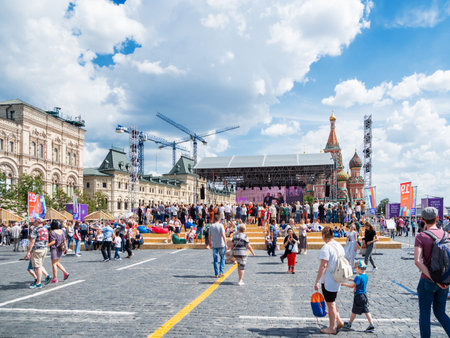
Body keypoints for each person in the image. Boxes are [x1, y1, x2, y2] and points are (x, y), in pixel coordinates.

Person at [414, 207, 450, 337]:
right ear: (438, 218)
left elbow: (417, 261)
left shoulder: (421, 236)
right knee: (440, 312)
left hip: (427, 281)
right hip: (444, 280)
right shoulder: (447, 235)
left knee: (425, 314)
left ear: (422, 220)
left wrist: (434, 279)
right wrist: (444, 280)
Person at [314, 226, 345, 334]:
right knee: (332, 301)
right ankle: (339, 320)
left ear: (323, 235)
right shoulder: (339, 245)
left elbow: (323, 265)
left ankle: (332, 328)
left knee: (330, 303)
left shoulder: (326, 247)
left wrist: (317, 281)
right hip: (338, 277)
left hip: (329, 279)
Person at [341, 260, 375, 332]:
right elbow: (358, 281)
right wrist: (350, 279)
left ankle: (351, 324)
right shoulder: (365, 276)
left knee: (356, 311)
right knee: (363, 310)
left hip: (358, 296)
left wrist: (343, 284)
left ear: (359, 268)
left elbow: (352, 286)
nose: (355, 269)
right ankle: (370, 324)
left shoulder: (358, 277)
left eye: (355, 268)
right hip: (364, 296)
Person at [26, 218, 51, 289]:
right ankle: (46, 276)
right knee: (39, 265)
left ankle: (38, 283)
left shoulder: (36, 229)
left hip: (37, 249)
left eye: (34, 221)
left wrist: (28, 251)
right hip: (44, 248)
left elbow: (32, 241)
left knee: (37, 267)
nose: (33, 222)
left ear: (37, 222)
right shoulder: (45, 229)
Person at [209, 214, 227, 278]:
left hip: (214, 244)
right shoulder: (221, 225)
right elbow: (223, 235)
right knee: (222, 258)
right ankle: (221, 272)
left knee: (215, 259)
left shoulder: (211, 226)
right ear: (219, 219)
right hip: (221, 244)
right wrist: (226, 244)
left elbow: (209, 236)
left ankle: (216, 273)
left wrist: (210, 243)